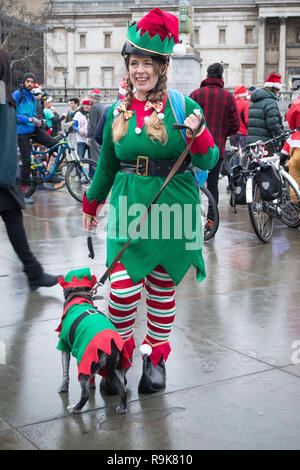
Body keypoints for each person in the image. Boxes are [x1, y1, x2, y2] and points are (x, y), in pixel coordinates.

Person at [82, 8, 219, 395]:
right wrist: (91, 204)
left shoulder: (183, 106)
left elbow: (208, 160)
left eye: (148, 63)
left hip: (174, 209)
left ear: (162, 67)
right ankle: (119, 357)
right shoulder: (116, 112)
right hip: (128, 207)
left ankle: (155, 357)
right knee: (122, 292)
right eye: (134, 62)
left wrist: (201, 134)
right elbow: (107, 165)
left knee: (161, 289)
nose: (140, 70)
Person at [0, 49, 60, 290]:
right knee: (14, 219)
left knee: (13, 218)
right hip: (3, 174)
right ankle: (34, 272)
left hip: (5, 173)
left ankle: (34, 272)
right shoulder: (4, 94)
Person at [189, 63, 240, 227]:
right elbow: (235, 125)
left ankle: (192, 220)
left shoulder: (196, 94)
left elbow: (185, 117)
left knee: (192, 183)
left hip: (195, 148)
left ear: (207, 76)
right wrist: (223, 133)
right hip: (215, 149)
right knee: (212, 185)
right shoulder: (228, 97)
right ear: (221, 77)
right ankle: (211, 221)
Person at [12, 72, 60, 202]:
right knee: (26, 160)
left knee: (56, 144)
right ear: (24, 82)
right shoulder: (17, 95)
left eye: (32, 82)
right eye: (28, 81)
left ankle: (50, 173)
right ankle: (22, 192)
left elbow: (35, 115)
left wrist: (39, 121)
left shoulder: (33, 99)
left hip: (33, 129)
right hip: (21, 131)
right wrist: (29, 118)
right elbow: (12, 114)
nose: (30, 84)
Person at [247, 73, 284, 146]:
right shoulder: (270, 102)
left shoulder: (254, 101)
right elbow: (273, 125)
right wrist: (282, 135)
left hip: (251, 141)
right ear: (274, 89)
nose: (278, 93)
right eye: (278, 90)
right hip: (265, 143)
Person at [280, 97, 300, 204]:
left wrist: (280, 159)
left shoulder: (293, 136)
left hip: (297, 155)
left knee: (295, 181)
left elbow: (284, 152)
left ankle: (295, 209)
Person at [230, 85, 250, 151]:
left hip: (233, 133)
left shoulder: (232, 102)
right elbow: (247, 121)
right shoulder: (246, 103)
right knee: (242, 154)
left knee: (233, 154)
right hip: (243, 133)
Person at [87, 89, 103, 163]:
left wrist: (89, 137)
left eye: (89, 97)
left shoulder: (94, 107)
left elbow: (92, 124)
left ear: (93, 97)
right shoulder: (101, 106)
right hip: (100, 135)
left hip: (94, 136)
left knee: (94, 159)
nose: (88, 99)